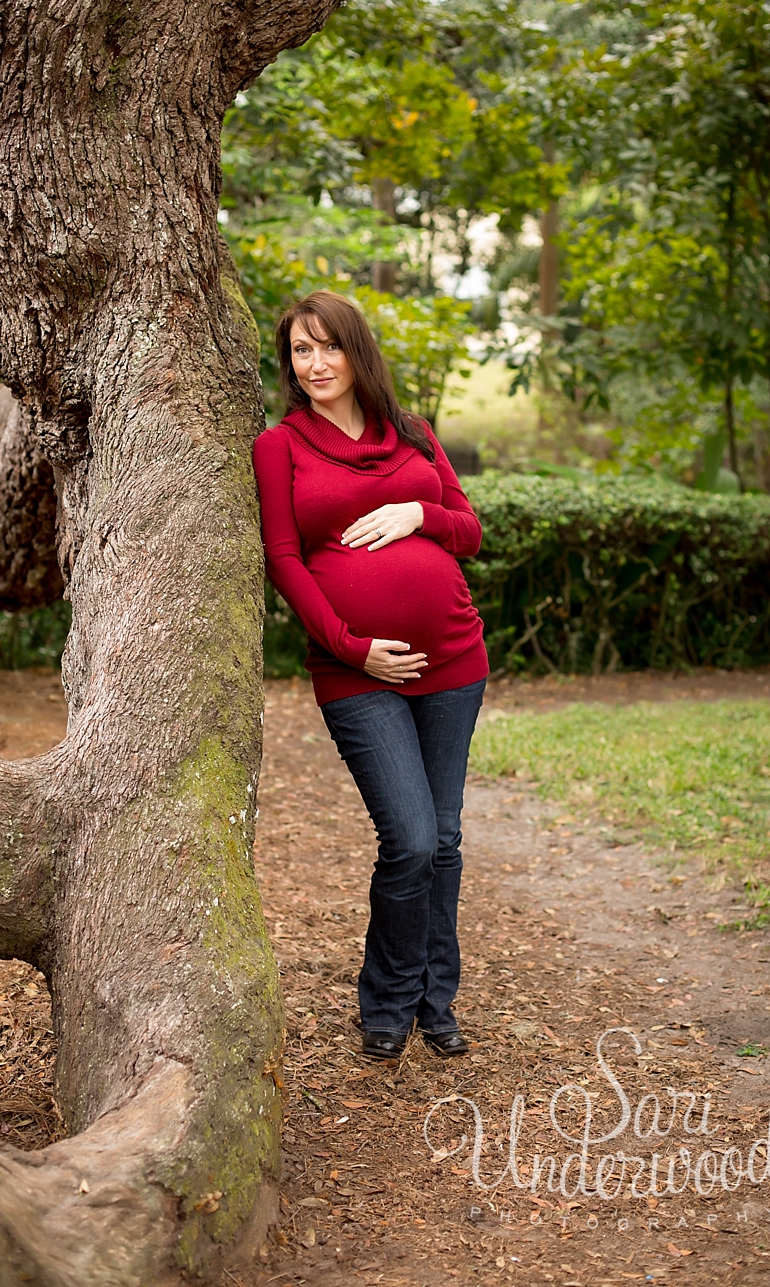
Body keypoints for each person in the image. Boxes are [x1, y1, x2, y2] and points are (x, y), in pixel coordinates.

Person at [252, 291, 488, 1060]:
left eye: (328, 347)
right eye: (299, 351)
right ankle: (386, 1001)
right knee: (412, 838)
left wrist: (419, 516)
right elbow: (284, 560)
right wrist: (354, 647)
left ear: (357, 352)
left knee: (445, 839)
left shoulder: (414, 434)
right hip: (357, 672)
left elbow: (470, 531)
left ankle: (433, 1001)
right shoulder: (279, 447)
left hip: (454, 659)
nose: (315, 364)